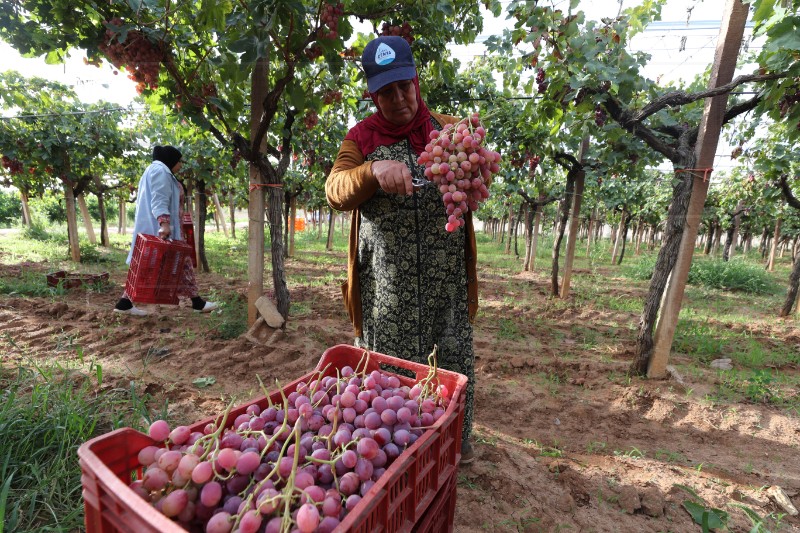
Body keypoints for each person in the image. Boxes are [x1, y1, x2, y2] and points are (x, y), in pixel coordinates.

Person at [325, 36, 484, 464]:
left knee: (449, 361)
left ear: (416, 81)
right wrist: (373, 170)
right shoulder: (361, 140)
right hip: (387, 291)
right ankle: (394, 456)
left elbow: (477, 175)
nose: (398, 100)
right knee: (391, 374)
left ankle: (453, 445)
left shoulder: (448, 131)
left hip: (444, 283)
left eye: (404, 87)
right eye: (386, 92)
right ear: (374, 96)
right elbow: (335, 190)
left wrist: (479, 164)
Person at [113, 145, 218, 316]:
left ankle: (125, 303)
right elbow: (159, 200)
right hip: (161, 230)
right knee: (163, 265)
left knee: (161, 266)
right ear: (171, 160)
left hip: (163, 229)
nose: (181, 165)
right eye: (179, 161)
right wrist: (164, 224)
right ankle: (197, 302)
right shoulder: (161, 172)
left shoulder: (156, 171)